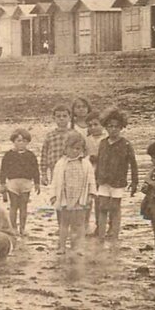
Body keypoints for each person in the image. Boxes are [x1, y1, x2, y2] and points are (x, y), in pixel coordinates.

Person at [95, 107, 139, 241]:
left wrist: (134, 182)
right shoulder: (102, 143)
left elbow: (133, 164)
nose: (113, 129)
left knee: (115, 207)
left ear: (121, 127)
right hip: (103, 180)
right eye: (110, 126)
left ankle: (114, 234)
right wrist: (96, 179)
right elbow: (99, 161)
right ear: (105, 127)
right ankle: (101, 235)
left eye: (116, 126)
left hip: (118, 181)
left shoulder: (126, 144)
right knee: (102, 207)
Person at [49, 131, 96, 255]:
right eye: (72, 148)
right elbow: (55, 181)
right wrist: (53, 195)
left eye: (78, 148)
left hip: (80, 197)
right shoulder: (60, 163)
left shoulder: (86, 163)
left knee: (80, 224)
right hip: (65, 197)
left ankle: (79, 246)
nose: (75, 151)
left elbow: (91, 180)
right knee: (64, 223)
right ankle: (62, 246)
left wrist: (91, 194)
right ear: (65, 148)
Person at [0, 128, 40, 236]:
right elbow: (3, 169)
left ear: (28, 142)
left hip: (26, 182)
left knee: (24, 206)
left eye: (24, 141)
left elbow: (35, 169)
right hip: (13, 182)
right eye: (19, 140)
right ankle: (13, 228)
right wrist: (2, 183)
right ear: (14, 141)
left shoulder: (31, 155)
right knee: (13, 205)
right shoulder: (8, 155)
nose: (21, 143)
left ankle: (22, 228)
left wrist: (37, 183)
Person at [40, 104, 72, 186]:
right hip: (54, 169)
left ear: (69, 118)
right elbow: (44, 155)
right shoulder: (50, 136)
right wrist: (44, 174)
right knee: (56, 193)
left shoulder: (74, 134)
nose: (61, 118)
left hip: (71, 168)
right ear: (54, 118)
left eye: (64, 116)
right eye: (58, 116)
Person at [84, 111, 105, 232]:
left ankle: (100, 225)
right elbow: (84, 154)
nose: (93, 127)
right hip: (90, 172)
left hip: (103, 172)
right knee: (88, 199)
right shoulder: (87, 140)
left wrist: (99, 158)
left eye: (96, 124)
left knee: (101, 201)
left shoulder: (106, 138)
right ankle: (85, 224)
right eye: (90, 125)